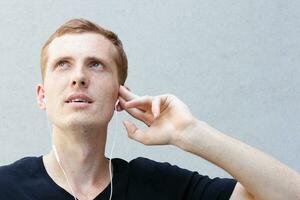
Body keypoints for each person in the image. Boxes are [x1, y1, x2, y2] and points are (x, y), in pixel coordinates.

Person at [0, 18, 299, 200]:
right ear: (42, 95)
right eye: (63, 65)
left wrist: (191, 132)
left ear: (120, 94)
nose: (78, 77)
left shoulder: (158, 186)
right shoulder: (6, 187)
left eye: (96, 64)